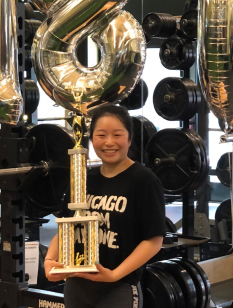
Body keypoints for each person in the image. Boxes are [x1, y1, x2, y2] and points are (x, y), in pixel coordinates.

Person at [44, 105, 165, 308]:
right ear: (92, 140)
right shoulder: (83, 179)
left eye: (117, 135)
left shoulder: (144, 180)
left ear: (130, 138)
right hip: (76, 286)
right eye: (101, 135)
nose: (109, 142)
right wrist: (49, 260)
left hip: (118, 288)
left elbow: (153, 240)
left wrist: (114, 275)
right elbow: (66, 226)